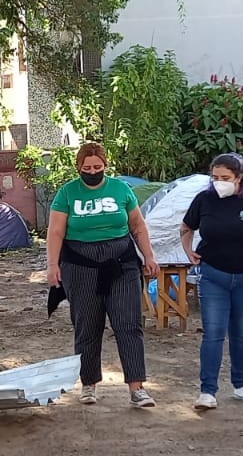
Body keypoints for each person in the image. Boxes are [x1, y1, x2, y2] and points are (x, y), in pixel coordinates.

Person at [46, 142, 161, 408]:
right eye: (87, 168)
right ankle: (88, 384)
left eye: (97, 167)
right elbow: (55, 232)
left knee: (128, 324)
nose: (92, 171)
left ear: (105, 166)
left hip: (121, 264)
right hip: (81, 266)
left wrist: (149, 256)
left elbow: (137, 225)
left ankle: (137, 387)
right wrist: (53, 265)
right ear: (78, 167)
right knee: (87, 325)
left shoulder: (121, 189)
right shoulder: (67, 193)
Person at [179, 153, 243, 409]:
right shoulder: (204, 199)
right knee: (213, 333)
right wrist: (188, 250)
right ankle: (207, 391)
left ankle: (241, 385)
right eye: (214, 178)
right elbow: (185, 227)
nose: (219, 182)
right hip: (214, 274)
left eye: (225, 178)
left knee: (241, 334)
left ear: (240, 177)